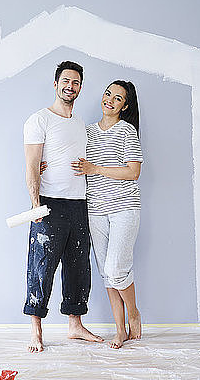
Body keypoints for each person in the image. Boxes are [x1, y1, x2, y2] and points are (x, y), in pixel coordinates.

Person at [22, 61, 103, 353]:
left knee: (78, 266)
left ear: (80, 88)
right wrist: (36, 207)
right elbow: (32, 167)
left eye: (76, 82)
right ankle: (36, 330)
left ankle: (75, 325)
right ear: (56, 84)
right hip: (49, 205)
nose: (71, 86)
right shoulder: (39, 120)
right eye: (66, 81)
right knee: (41, 267)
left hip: (78, 203)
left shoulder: (80, 124)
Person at [71, 80, 144, 349]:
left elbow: (133, 172)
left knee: (116, 269)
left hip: (124, 207)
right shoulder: (88, 132)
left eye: (117, 98)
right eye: (108, 94)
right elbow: (72, 157)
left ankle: (133, 313)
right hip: (96, 210)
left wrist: (96, 169)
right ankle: (120, 330)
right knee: (107, 274)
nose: (110, 100)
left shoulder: (127, 132)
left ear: (124, 106)